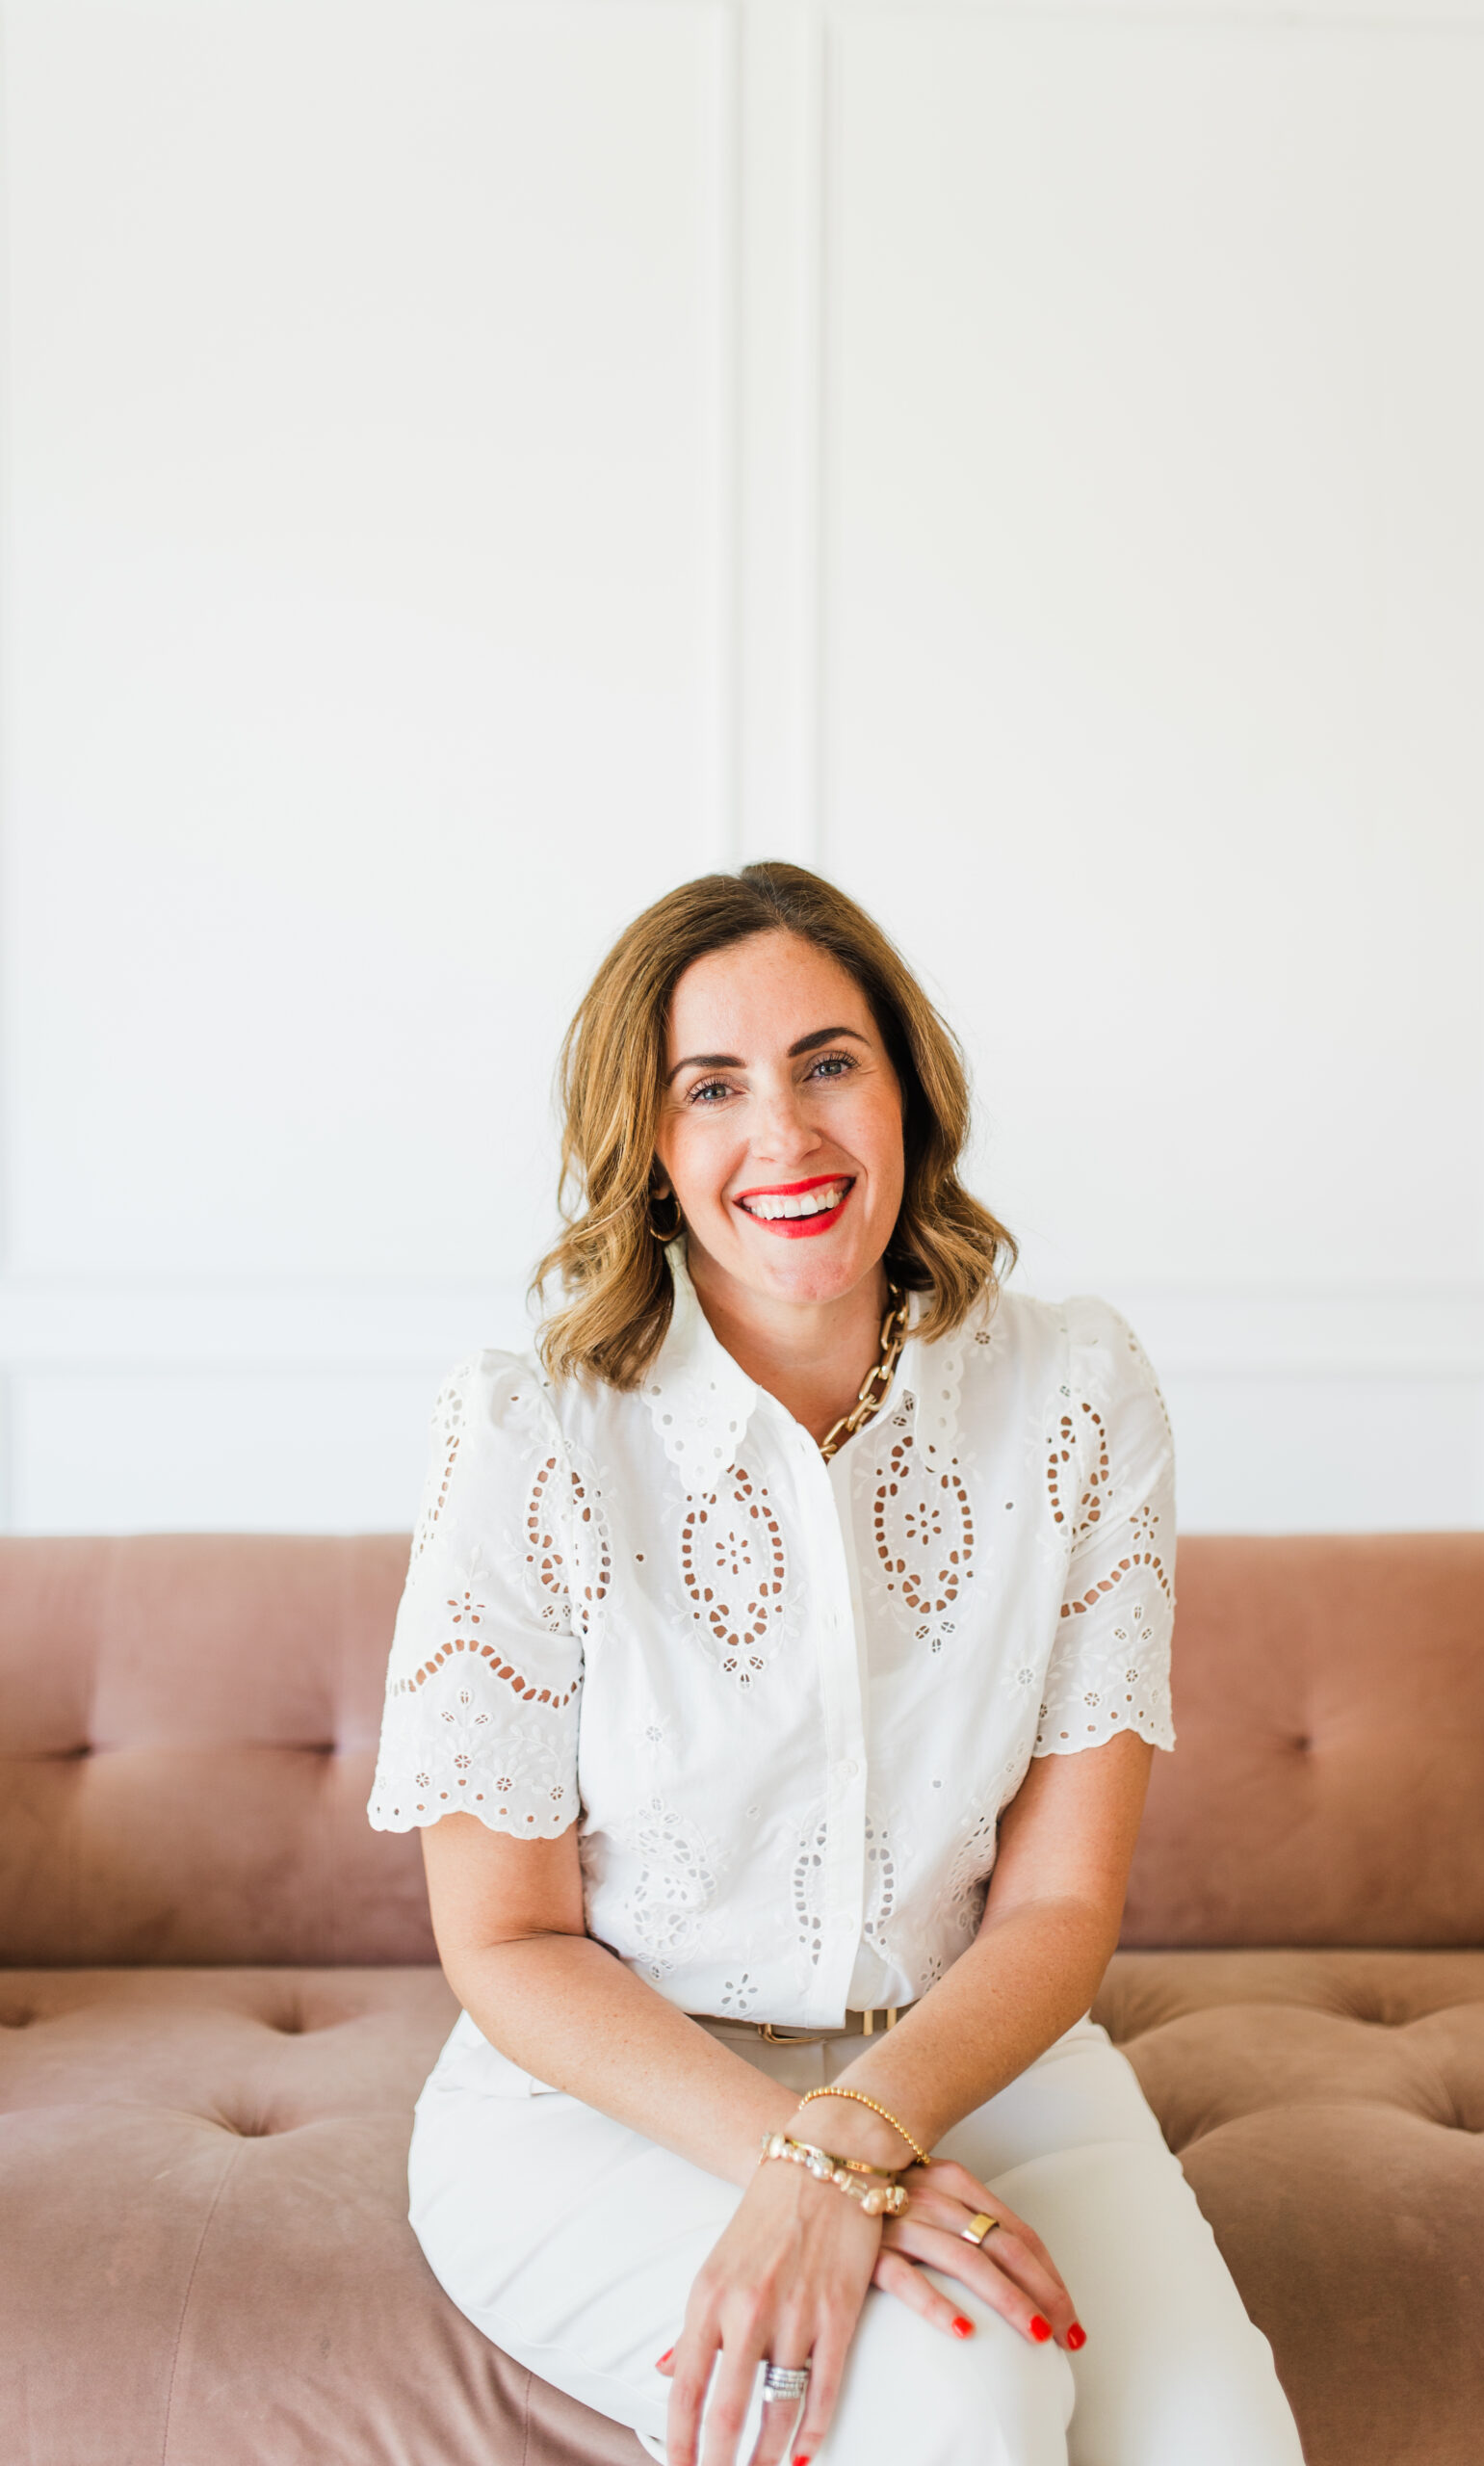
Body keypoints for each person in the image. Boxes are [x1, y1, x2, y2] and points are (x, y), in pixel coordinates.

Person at [368, 863, 1305, 2466]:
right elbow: (508, 1939)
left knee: (1218, 2447)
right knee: (969, 2397)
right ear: (652, 1152)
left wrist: (861, 2132)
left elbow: (1062, 1907)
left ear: (907, 1093)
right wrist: (804, 2162)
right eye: (711, 1087)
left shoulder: (1078, 1392)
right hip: (613, 2103)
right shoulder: (529, 1428)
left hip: (979, 2057)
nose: (785, 1137)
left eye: (828, 1063)